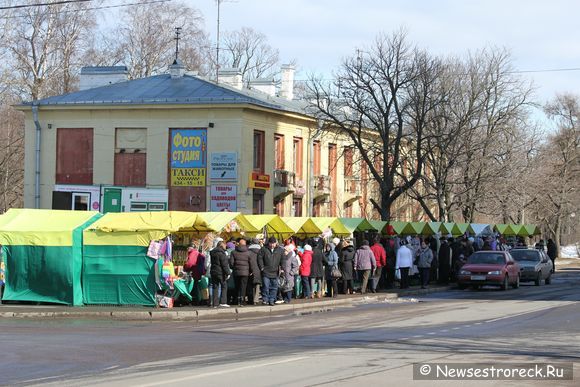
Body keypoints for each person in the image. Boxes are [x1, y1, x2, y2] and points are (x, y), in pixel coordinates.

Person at [257, 237, 285, 306]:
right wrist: (262, 268)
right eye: (271, 243)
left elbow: (283, 260)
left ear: (276, 243)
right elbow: (259, 258)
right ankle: (265, 300)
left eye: (273, 243)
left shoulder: (280, 250)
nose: (272, 245)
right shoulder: (263, 249)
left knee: (274, 287)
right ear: (268, 243)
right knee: (265, 286)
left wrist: (282, 269)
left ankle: (271, 300)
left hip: (275, 272)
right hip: (266, 271)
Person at [209, 239, 231, 308]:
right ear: (222, 245)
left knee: (215, 287)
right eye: (225, 245)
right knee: (224, 286)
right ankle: (223, 302)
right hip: (220, 272)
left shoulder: (213, 252)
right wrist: (228, 273)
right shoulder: (222, 253)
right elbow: (224, 264)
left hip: (213, 271)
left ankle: (215, 304)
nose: (225, 247)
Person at [230, 239, 251, 306]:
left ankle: (236, 300)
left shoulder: (233, 252)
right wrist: (251, 271)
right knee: (243, 287)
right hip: (245, 272)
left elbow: (231, 263)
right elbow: (251, 263)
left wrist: (234, 268)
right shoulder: (248, 252)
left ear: (238, 244)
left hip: (236, 272)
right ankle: (242, 300)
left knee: (237, 286)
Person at [247, 238, 262, 305]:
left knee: (250, 285)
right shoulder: (261, 250)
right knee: (257, 285)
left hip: (250, 269)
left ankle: (250, 299)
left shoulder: (248, 251)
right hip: (259, 269)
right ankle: (256, 300)